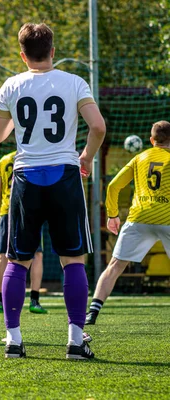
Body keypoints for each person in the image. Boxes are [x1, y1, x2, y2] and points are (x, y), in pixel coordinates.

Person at [0, 23, 106, 359]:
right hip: (65, 175)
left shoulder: (12, 85)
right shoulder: (75, 82)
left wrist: (13, 120)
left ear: (22, 55)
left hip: (26, 178)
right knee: (73, 260)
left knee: (17, 261)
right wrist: (87, 156)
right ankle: (76, 341)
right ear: (53, 51)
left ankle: (13, 340)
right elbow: (97, 126)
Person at [86, 121, 170, 325]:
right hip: (166, 218)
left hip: (139, 218)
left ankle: (92, 313)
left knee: (115, 266)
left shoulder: (139, 158)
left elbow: (113, 187)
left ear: (151, 141)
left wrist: (112, 215)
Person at [0, 150, 47, 314]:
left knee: (2, 255)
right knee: (37, 255)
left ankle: (0, 301)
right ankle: (34, 300)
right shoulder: (34, 156)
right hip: (30, 211)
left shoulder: (3, 160)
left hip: (7, 211)